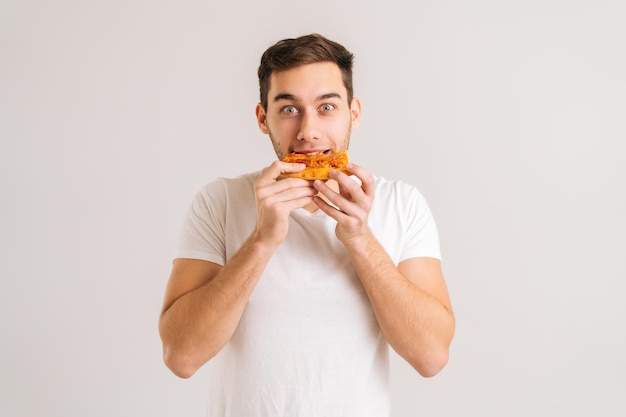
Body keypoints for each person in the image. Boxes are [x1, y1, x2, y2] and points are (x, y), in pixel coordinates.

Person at [158, 33, 455, 416]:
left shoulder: (403, 204)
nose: (308, 131)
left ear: (355, 112)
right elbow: (181, 356)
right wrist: (262, 242)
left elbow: (431, 356)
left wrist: (361, 239)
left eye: (327, 107)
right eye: (288, 109)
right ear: (263, 118)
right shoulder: (221, 202)